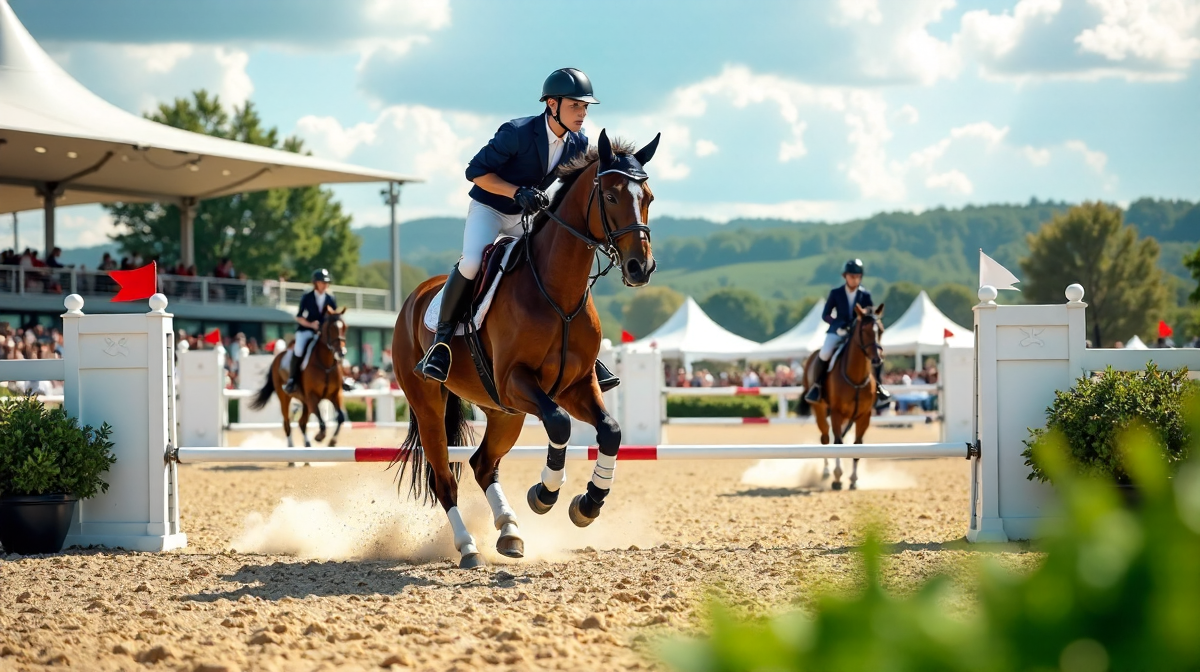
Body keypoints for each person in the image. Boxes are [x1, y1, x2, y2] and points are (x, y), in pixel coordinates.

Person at [416, 67, 620, 392]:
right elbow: (475, 172)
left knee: (555, 268)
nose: (582, 113)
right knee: (471, 262)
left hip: (527, 217)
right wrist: (515, 192)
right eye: (575, 106)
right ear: (552, 104)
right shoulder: (517, 132)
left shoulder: (578, 144)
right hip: (491, 209)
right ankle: (440, 345)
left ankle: (582, 351)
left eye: (584, 108)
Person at [804, 258, 892, 409]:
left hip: (858, 334)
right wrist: (837, 324)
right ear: (845, 276)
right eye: (852, 276)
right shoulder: (836, 293)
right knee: (824, 353)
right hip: (838, 331)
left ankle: (878, 388)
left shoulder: (865, 295)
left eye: (858, 277)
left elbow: (870, 315)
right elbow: (826, 314)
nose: (855, 279)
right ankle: (817, 387)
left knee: (876, 355)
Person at [284, 269, 339, 393]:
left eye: (326, 282)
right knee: (298, 350)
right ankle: (292, 379)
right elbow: (299, 317)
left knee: (335, 347)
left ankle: (342, 378)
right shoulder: (307, 297)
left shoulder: (330, 298)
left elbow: (334, 316)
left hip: (323, 333)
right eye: (322, 282)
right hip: (306, 330)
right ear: (316, 283)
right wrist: (311, 324)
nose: (325, 285)